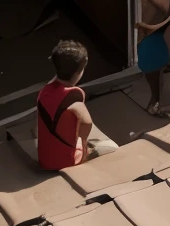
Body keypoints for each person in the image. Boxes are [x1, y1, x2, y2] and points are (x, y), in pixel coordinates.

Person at [36, 40, 118, 170]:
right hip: (65, 162)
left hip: (45, 161)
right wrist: (84, 142)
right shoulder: (73, 98)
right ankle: (83, 153)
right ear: (78, 73)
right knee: (111, 146)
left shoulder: (45, 91)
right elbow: (87, 122)